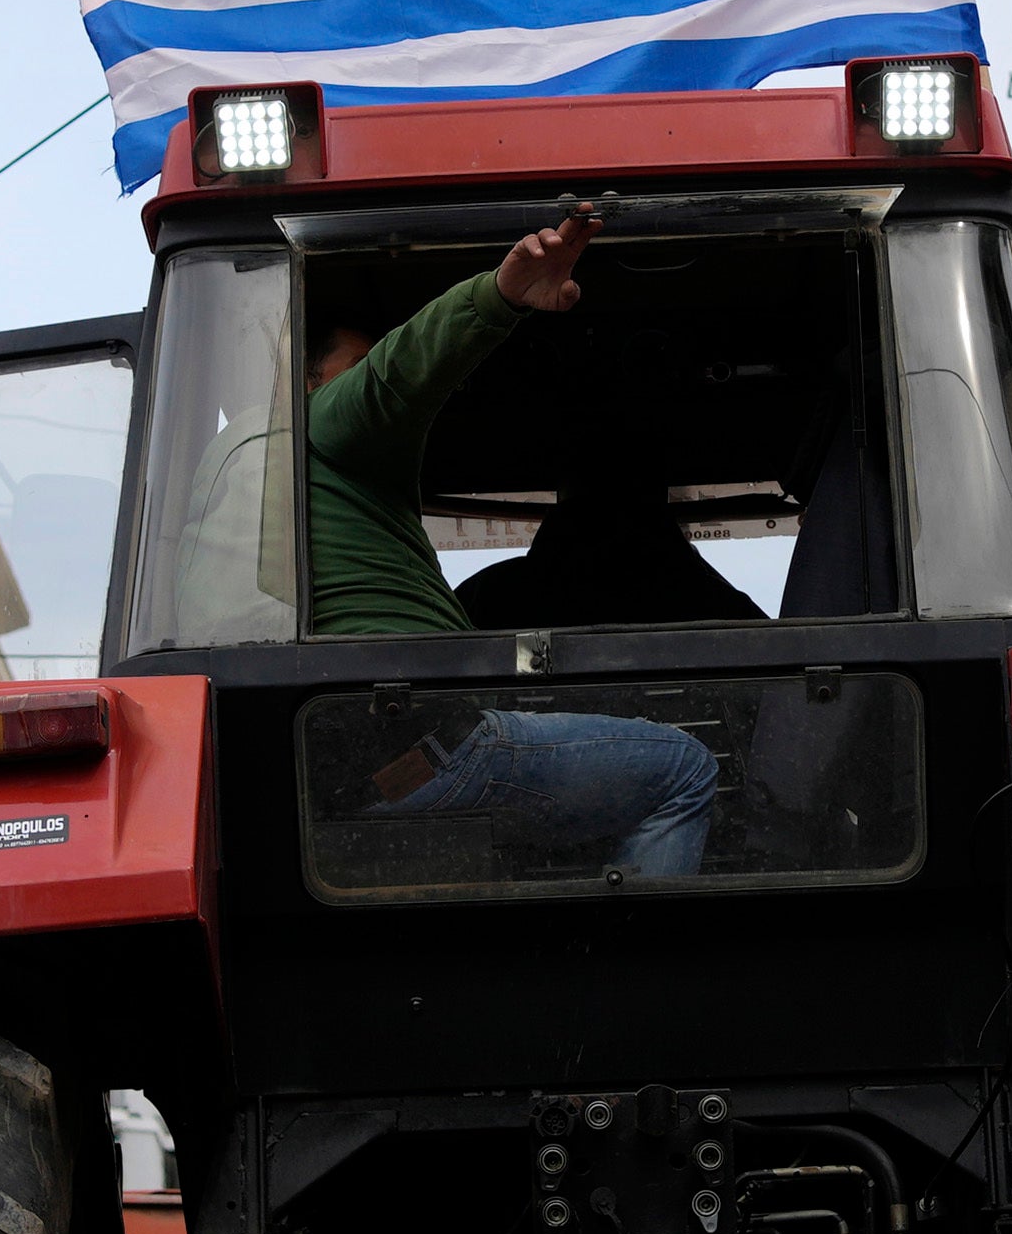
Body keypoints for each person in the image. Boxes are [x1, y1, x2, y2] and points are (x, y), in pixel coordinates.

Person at [306, 204, 718, 872]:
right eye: (352, 366)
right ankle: (648, 971)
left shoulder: (251, 482)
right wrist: (498, 296)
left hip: (363, 763)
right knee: (684, 768)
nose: (366, 379)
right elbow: (397, 373)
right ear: (307, 384)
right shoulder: (322, 421)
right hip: (422, 743)